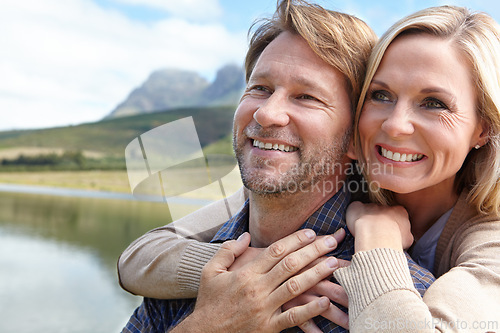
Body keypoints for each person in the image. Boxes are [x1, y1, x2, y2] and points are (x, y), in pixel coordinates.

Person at [119, 1, 434, 332]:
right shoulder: (183, 273)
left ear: (357, 140)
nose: (266, 113)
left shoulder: (402, 301)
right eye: (260, 88)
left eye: (306, 97)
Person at [332, 5, 500, 331]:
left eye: (434, 103)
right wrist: (256, 274)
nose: (396, 125)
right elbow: (204, 239)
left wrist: (378, 239)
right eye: (380, 95)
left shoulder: (492, 240)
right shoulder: (331, 178)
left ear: (483, 129)